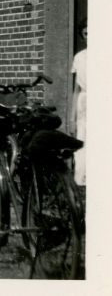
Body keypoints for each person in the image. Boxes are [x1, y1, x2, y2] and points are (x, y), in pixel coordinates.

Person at [70, 20, 87, 187]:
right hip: (85, 104)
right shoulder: (79, 58)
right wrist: (72, 119)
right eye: (86, 34)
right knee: (82, 144)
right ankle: (80, 184)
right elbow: (76, 90)